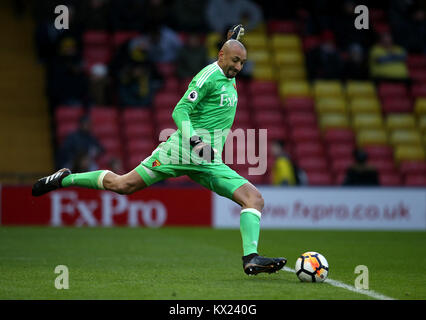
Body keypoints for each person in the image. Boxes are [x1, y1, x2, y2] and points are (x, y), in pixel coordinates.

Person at [32, 26, 287, 276]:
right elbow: (180, 111)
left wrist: (230, 41)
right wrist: (196, 141)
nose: (238, 68)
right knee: (123, 185)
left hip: (208, 160)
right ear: (221, 56)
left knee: (254, 199)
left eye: (242, 62)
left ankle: (251, 259)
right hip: (181, 151)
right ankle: (65, 178)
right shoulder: (207, 77)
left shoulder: (225, 72)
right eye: (234, 61)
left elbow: (224, 63)